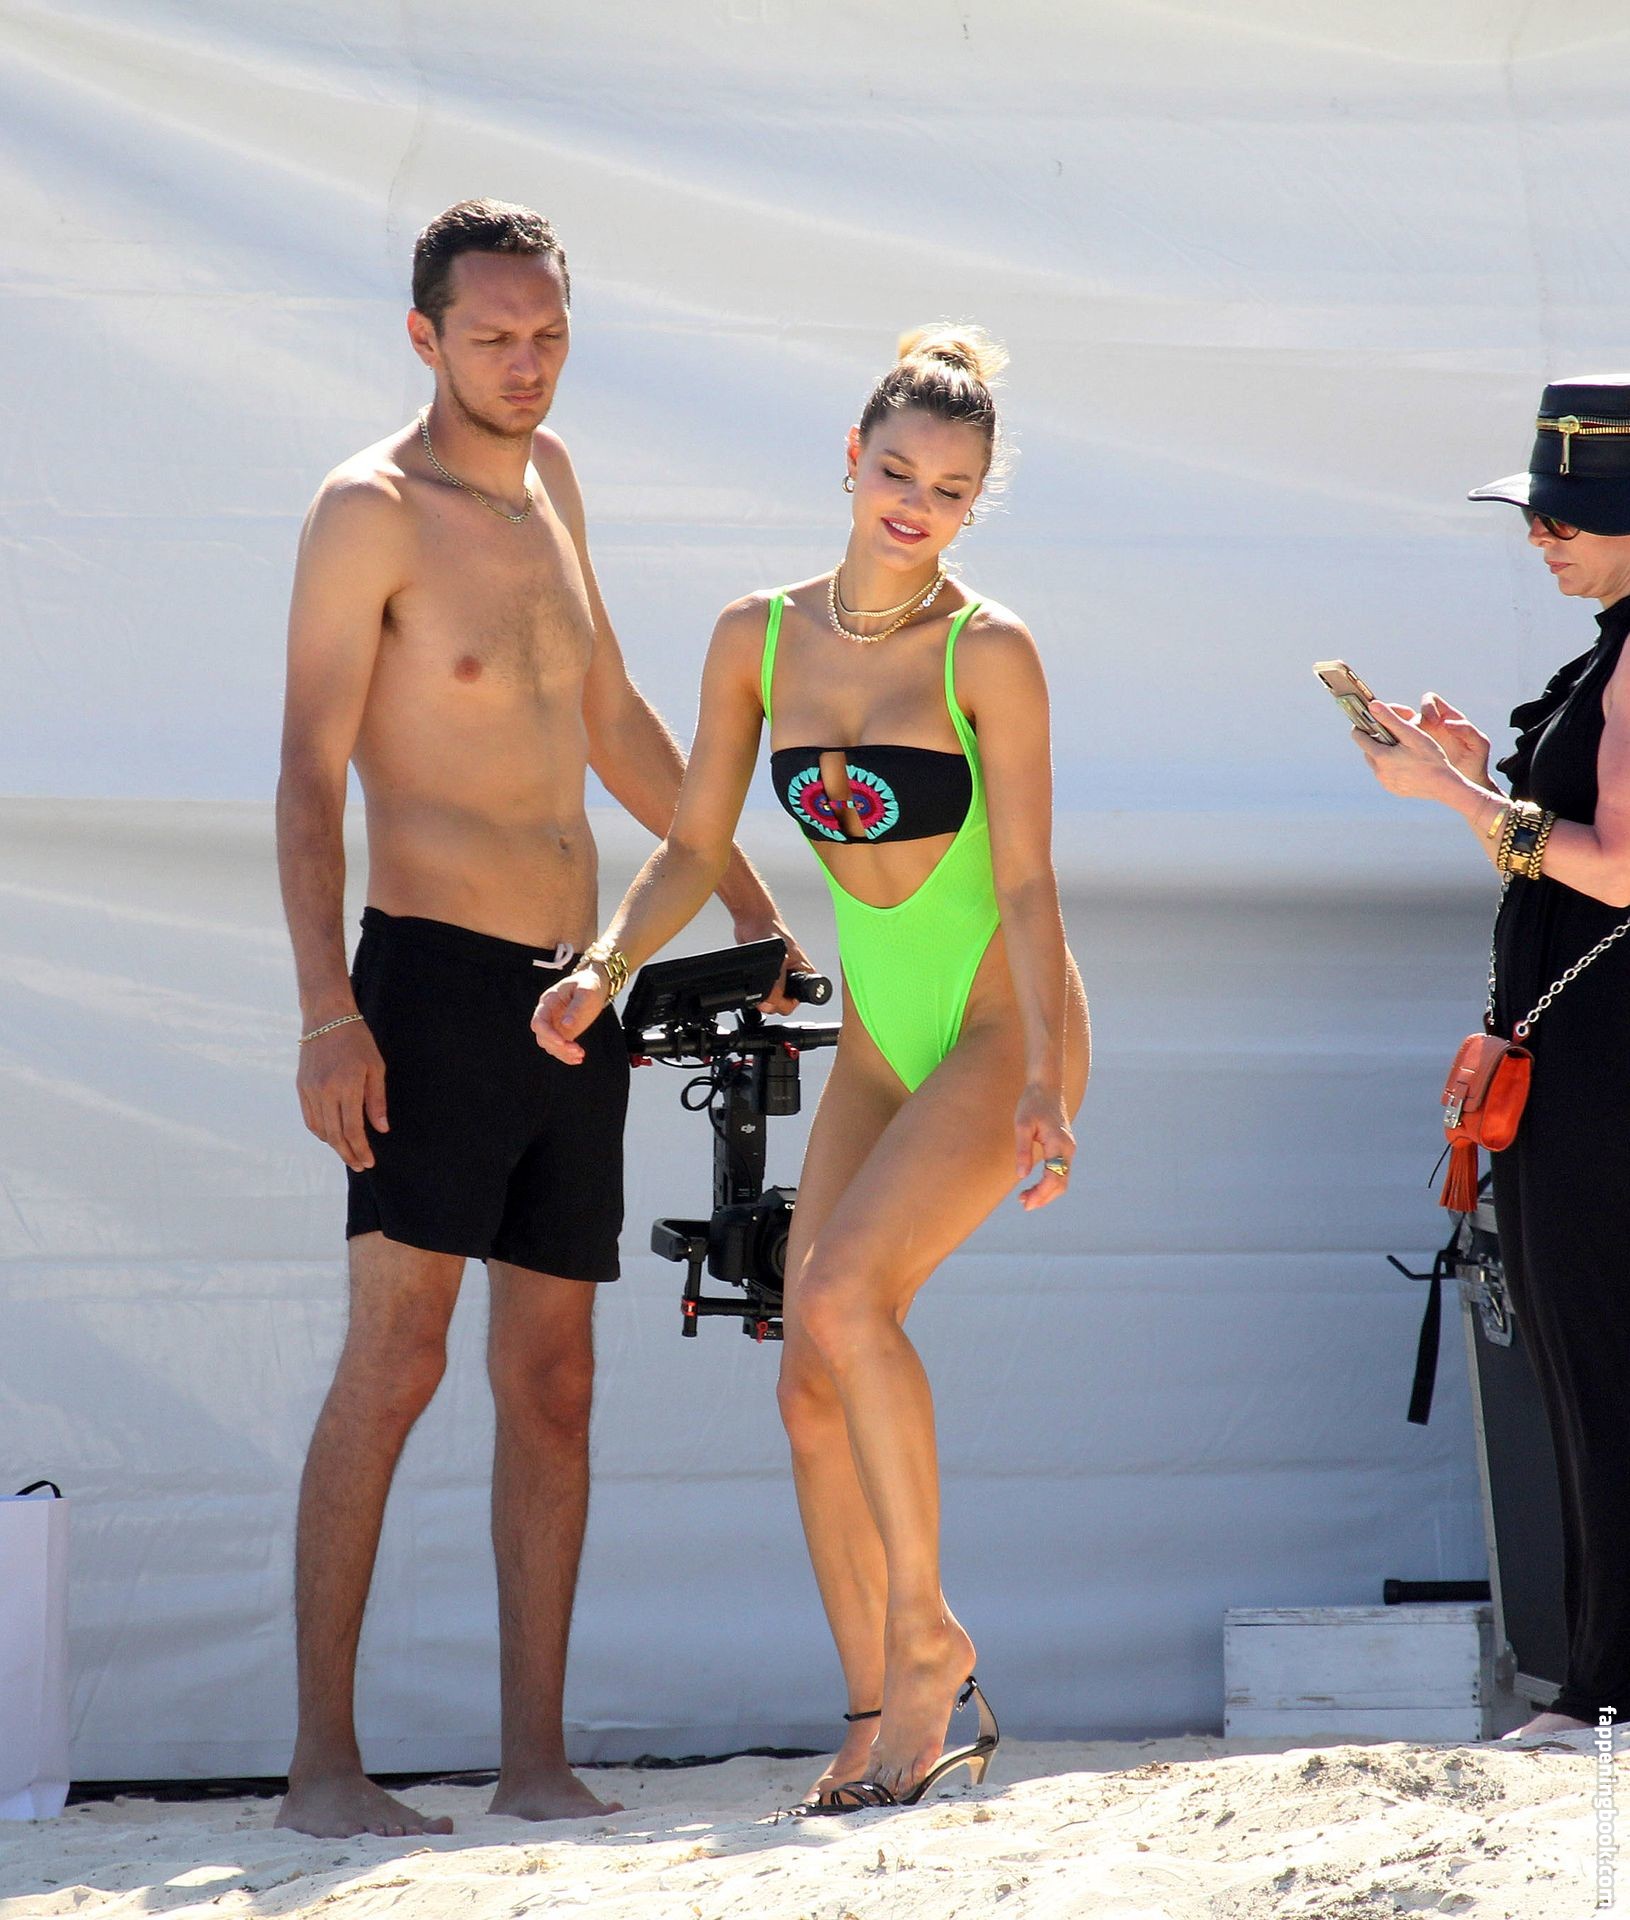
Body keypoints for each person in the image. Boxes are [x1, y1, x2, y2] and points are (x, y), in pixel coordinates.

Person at [273, 198, 805, 1837]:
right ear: (423, 336)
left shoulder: (554, 478)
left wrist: (746, 900)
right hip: (425, 985)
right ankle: (322, 1768)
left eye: (549, 334)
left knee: (555, 1378)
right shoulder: (367, 511)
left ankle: (532, 1763)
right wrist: (326, 1012)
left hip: (579, 992)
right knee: (395, 1360)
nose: (526, 363)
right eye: (494, 335)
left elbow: (611, 714)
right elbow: (304, 775)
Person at [533, 326, 1091, 1809]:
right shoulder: (757, 636)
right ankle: (872, 1711)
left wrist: (1049, 1080)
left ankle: (930, 1641)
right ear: (850, 461)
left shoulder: (989, 649)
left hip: (996, 1025)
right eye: (897, 473)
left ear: (976, 504)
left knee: (844, 1297)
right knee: (805, 1373)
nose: (917, 506)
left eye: (951, 491)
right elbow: (692, 844)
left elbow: (1029, 883)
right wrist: (603, 966)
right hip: (882, 1042)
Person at [1351, 375, 1630, 1744]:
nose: (1540, 536)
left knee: (1597, 1359)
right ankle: (1596, 1679)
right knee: (1578, 1362)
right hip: (1575, 1060)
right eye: (1537, 512)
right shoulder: (1609, 653)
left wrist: (1457, 792)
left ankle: (1604, 1688)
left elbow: (1622, 869)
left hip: (1606, 1072)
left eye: (1566, 515)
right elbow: (1562, 859)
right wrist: (1477, 786)